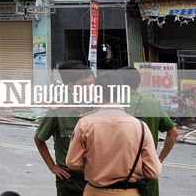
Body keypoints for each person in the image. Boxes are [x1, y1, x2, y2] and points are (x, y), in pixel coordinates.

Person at [66, 72, 162, 196]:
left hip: (95, 191)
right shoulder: (140, 126)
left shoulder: (85, 123)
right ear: (122, 92)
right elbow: (153, 172)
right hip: (129, 192)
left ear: (97, 92)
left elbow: (73, 163)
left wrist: (95, 162)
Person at [34, 60, 95, 196]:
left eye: (91, 84)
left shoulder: (99, 109)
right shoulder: (58, 111)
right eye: (84, 85)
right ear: (71, 87)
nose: (89, 89)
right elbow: (39, 138)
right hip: (69, 180)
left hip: (95, 179)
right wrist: (52, 166)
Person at [117, 66, 178, 196]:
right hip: (147, 168)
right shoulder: (153, 104)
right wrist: (159, 159)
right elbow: (173, 133)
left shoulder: (112, 104)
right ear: (139, 82)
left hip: (119, 170)